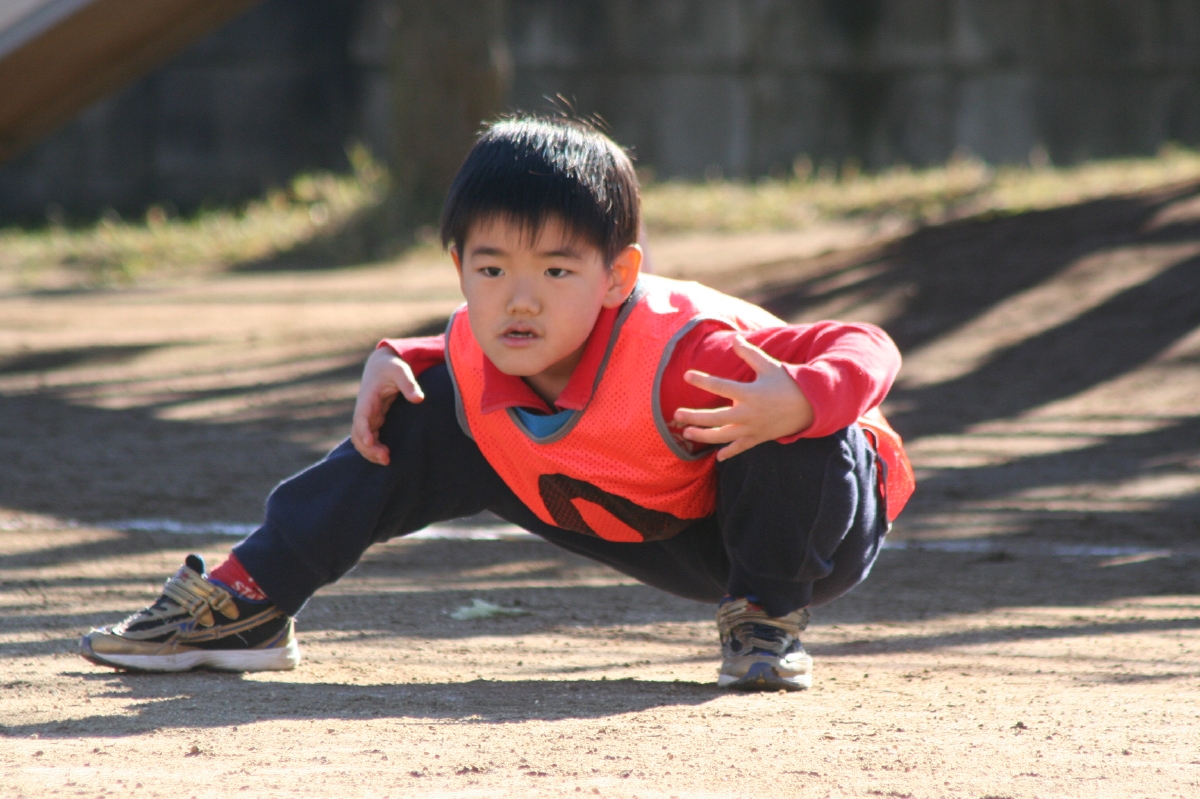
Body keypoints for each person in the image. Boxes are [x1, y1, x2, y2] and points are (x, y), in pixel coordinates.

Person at [80, 116, 913, 691]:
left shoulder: (687, 348)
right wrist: (400, 356)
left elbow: (867, 343)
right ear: (459, 268)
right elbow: (461, 350)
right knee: (419, 406)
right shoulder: (479, 347)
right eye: (491, 269)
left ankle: (766, 621)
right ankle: (250, 602)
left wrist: (803, 397)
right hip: (653, 520)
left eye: (556, 270)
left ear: (617, 276)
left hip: (815, 532)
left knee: (787, 410)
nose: (520, 298)